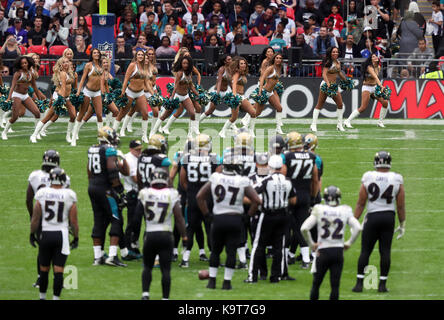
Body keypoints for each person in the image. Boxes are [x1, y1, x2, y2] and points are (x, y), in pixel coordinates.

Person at [197, 151, 261, 290]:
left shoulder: (215, 177)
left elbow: (200, 196)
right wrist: (248, 215)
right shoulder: (242, 180)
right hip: (235, 218)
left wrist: (207, 214)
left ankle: (212, 281)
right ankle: (227, 282)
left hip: (218, 218)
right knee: (231, 252)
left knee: (215, 251)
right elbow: (256, 200)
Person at [352, 151, 406, 293]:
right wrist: (402, 224)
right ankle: (382, 285)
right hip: (389, 217)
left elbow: (360, 203)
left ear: (376, 162)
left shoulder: (368, 176)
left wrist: (354, 220)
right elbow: (400, 206)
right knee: (385, 251)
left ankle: (359, 284)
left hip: (372, 217)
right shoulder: (397, 178)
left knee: (365, 251)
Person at [301, 185, 362, 300]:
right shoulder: (345, 210)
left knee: (316, 284)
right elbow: (358, 228)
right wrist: (349, 242)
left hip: (322, 251)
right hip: (338, 251)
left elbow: (304, 228)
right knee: (335, 286)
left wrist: (311, 244)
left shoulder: (319, 209)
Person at [245, 154, 296, 283]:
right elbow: (294, 200)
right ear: (281, 166)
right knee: (279, 247)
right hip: (283, 215)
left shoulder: (266, 181)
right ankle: (276, 276)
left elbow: (253, 195)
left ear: (270, 166)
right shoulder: (288, 180)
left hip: (267, 214)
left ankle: (253, 276)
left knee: (258, 245)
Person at [30, 167, 79, 300]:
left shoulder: (42, 193)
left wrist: (32, 233)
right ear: (63, 180)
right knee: (58, 271)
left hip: (45, 233)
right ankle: (56, 298)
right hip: (61, 235)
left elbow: (35, 217)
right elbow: (73, 221)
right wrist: (76, 237)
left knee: (44, 270)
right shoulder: (69, 194)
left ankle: (42, 297)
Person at [139, 168, 187, 300]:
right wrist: (184, 236)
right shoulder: (171, 194)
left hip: (150, 234)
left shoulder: (145, 193)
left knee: (147, 267)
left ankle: (145, 294)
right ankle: (165, 298)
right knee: (166, 269)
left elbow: (137, 216)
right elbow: (179, 218)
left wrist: (133, 234)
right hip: (166, 234)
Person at [26, 150, 70, 289]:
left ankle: (41, 278)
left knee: (43, 250)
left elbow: (28, 199)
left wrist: (33, 216)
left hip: (40, 218)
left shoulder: (35, 176)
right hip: (58, 219)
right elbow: (67, 200)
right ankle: (58, 280)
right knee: (59, 250)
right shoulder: (65, 178)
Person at [87, 126, 128, 267]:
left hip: (93, 187)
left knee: (98, 219)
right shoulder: (109, 150)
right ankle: (112, 256)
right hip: (105, 188)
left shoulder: (92, 148)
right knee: (117, 218)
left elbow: (89, 170)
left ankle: (97, 257)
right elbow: (112, 173)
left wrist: (94, 184)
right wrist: (120, 191)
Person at [179, 134, 221, 268]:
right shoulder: (213, 158)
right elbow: (219, 179)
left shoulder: (187, 158)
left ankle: (185, 259)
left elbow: (182, 181)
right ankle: (214, 257)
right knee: (210, 228)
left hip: (192, 197)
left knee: (190, 228)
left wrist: (192, 192)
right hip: (208, 198)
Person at [2, 55, 46, 142]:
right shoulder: (18, 73)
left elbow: (34, 87)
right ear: (20, 64)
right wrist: (9, 98)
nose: (24, 65)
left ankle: (35, 134)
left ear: (28, 63)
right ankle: (4, 132)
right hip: (17, 95)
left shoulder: (31, 73)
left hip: (25, 95)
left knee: (37, 113)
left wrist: (39, 99)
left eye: (25, 63)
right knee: (14, 117)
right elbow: (13, 86)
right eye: (22, 63)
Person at [35, 57, 77, 143]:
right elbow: (63, 87)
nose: (66, 64)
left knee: (73, 116)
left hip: (67, 97)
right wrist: (60, 99)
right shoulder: (62, 74)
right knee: (48, 117)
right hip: (60, 97)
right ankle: (34, 135)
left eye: (67, 62)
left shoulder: (69, 73)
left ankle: (68, 136)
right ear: (61, 65)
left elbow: (72, 86)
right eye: (64, 62)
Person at [113, 51, 150, 143]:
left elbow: (146, 83)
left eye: (142, 55)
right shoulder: (133, 65)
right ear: (136, 56)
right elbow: (126, 79)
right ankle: (113, 134)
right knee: (122, 113)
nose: (140, 56)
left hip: (140, 93)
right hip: (130, 92)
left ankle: (144, 136)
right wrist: (122, 91)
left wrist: (153, 94)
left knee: (145, 113)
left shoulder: (145, 67)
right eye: (139, 55)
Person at [344, 53, 389, 129]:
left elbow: (376, 78)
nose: (375, 57)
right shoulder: (369, 67)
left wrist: (378, 86)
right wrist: (381, 86)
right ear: (371, 59)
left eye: (376, 56)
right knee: (363, 108)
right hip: (367, 87)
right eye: (373, 57)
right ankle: (347, 121)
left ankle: (380, 122)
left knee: (385, 102)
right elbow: (375, 77)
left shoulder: (378, 67)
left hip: (374, 87)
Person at [71, 48, 104, 146]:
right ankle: (74, 137)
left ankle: (101, 138)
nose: (96, 54)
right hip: (87, 92)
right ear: (91, 55)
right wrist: (78, 91)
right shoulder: (88, 65)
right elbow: (83, 79)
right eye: (94, 53)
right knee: (81, 113)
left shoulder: (101, 65)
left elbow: (102, 80)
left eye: (98, 53)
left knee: (99, 115)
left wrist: (103, 92)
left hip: (97, 92)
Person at [310, 46, 347, 132]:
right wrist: (327, 84)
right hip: (326, 85)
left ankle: (339, 125)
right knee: (319, 104)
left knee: (340, 104)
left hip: (334, 86)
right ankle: (313, 125)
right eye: (333, 52)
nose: (335, 53)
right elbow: (324, 74)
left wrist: (346, 80)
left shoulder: (338, 62)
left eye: (336, 52)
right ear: (330, 53)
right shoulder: (328, 62)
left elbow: (339, 73)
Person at [222, 57, 257, 138]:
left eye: (244, 63)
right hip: (236, 96)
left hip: (242, 96)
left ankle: (251, 131)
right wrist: (234, 95)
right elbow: (233, 84)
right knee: (234, 118)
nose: (243, 65)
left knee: (253, 112)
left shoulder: (243, 73)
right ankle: (223, 131)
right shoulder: (237, 73)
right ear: (238, 65)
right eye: (241, 63)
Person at [255, 53, 285, 135]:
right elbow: (262, 78)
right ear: (274, 59)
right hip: (265, 91)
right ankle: (246, 126)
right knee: (257, 112)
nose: (278, 59)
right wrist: (260, 90)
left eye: (280, 58)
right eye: (277, 58)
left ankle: (278, 128)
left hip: (270, 92)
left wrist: (278, 83)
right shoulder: (270, 68)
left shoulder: (279, 68)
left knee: (279, 108)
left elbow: (275, 79)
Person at [199, 54, 232, 124]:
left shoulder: (230, 69)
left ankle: (232, 125)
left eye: (231, 59)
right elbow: (219, 81)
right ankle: (197, 122)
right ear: (225, 61)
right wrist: (217, 93)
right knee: (210, 111)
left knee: (234, 107)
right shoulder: (221, 69)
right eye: (229, 59)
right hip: (218, 91)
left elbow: (231, 82)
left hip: (226, 91)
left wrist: (234, 91)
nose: (231, 61)